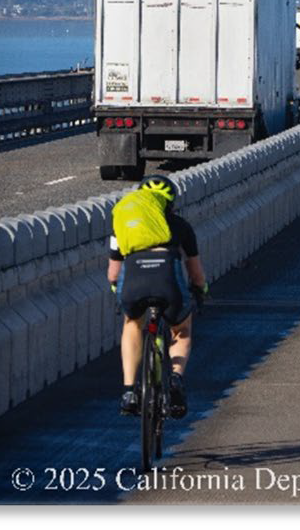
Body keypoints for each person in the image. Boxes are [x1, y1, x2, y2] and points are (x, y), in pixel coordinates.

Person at [108, 174, 208, 418]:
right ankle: (175, 378)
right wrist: (200, 291)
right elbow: (195, 273)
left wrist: (117, 291)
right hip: (168, 283)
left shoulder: (125, 225)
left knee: (132, 324)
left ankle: (129, 390)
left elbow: (113, 274)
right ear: (170, 203)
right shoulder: (180, 225)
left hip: (134, 283)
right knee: (181, 330)